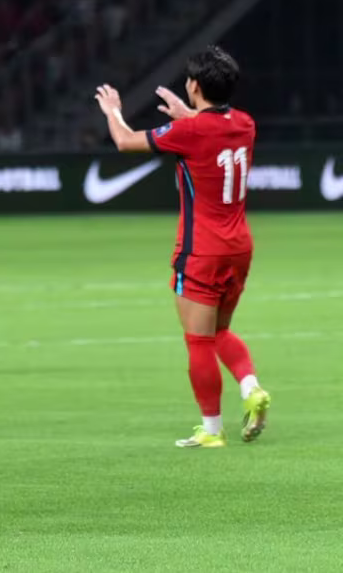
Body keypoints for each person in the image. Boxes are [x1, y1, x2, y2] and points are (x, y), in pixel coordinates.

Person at [93, 45, 271, 448]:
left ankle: (212, 430)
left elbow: (125, 141)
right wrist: (189, 113)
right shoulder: (245, 123)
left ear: (193, 86)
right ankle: (251, 388)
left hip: (201, 251)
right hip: (239, 246)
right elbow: (213, 127)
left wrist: (112, 111)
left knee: (199, 340)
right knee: (220, 331)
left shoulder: (188, 132)